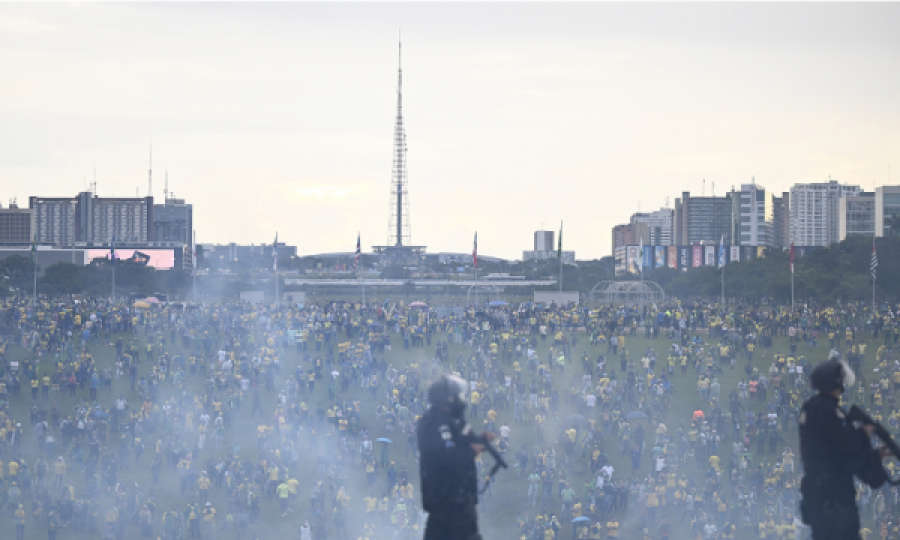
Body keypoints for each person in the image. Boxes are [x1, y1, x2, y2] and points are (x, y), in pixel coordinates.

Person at [799, 354, 889, 540]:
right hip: (835, 496)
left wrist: (871, 455)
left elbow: (832, 451)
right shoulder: (830, 411)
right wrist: (864, 433)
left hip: (816, 494)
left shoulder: (809, 408)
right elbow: (849, 446)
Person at [418, 375, 495, 540]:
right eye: (458, 395)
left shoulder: (449, 422)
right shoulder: (437, 425)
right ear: (448, 399)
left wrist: (480, 439)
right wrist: (472, 451)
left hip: (454, 501)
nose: (461, 400)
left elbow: (461, 440)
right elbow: (448, 455)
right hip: (448, 502)